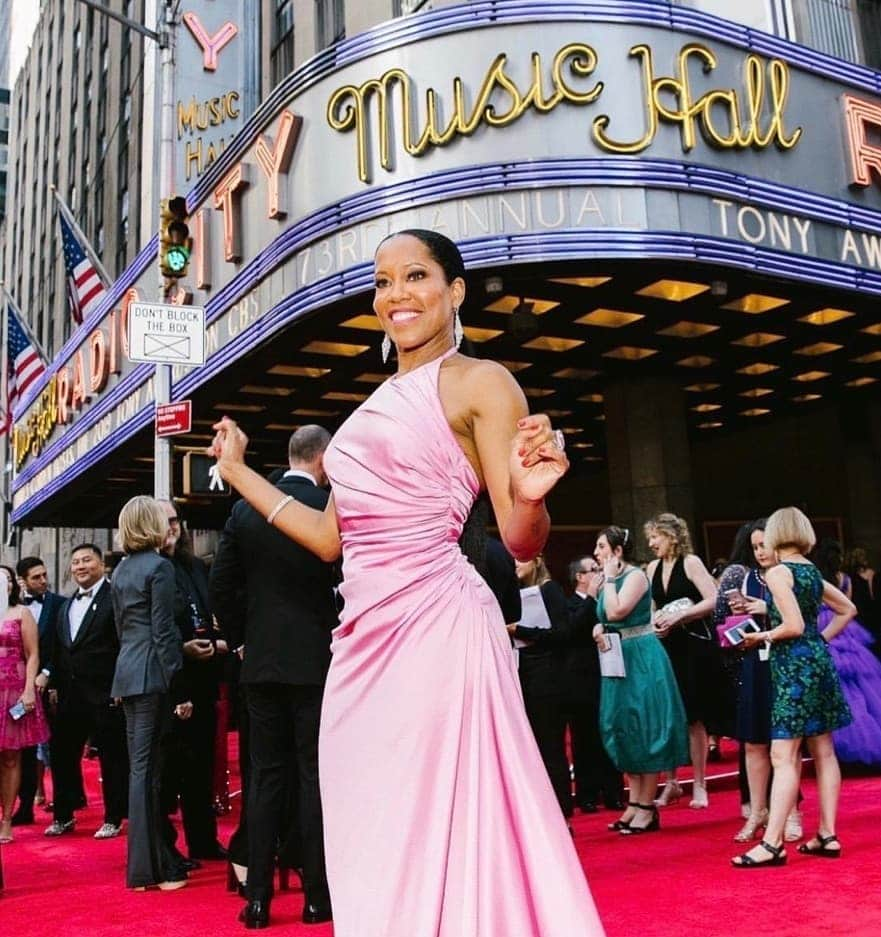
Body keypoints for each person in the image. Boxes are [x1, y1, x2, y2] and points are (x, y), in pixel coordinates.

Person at [209, 229, 604, 937]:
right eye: (382, 281)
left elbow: (517, 537)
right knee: (372, 819)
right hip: (361, 642)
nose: (396, 294)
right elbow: (332, 537)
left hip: (436, 628)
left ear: (454, 291)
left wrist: (534, 494)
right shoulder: (374, 402)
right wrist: (238, 474)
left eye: (414, 275)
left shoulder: (480, 381)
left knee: (442, 821)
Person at [210, 427, 338, 929]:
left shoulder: (244, 509)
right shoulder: (328, 508)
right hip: (317, 660)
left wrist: (243, 641)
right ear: (323, 459)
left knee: (264, 779)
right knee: (313, 777)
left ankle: (258, 898)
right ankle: (315, 898)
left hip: (260, 664)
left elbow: (222, 585)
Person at [732, 507, 854, 868]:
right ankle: (827, 834)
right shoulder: (810, 570)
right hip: (817, 665)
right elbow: (847, 609)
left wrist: (761, 636)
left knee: (782, 756)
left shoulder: (778, 572)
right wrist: (822, 642)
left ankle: (772, 844)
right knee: (824, 751)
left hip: (792, 670)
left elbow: (794, 625)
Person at [592, 527, 688, 835]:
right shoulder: (609, 579)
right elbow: (604, 616)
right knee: (622, 725)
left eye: (602, 546)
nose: (597, 553)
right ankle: (634, 802)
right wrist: (597, 628)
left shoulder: (633, 576)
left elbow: (617, 609)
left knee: (644, 725)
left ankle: (646, 806)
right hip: (618, 657)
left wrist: (606, 580)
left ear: (618, 551)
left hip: (642, 658)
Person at [111, 496, 186, 891]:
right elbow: (163, 632)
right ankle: (147, 869)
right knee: (147, 773)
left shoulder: (121, 570)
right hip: (152, 675)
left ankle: (151, 865)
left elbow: (122, 630)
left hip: (128, 672)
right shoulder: (159, 567)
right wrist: (177, 679)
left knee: (142, 770)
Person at [41, 543, 128, 839]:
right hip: (69, 694)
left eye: (87, 560)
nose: (80, 566)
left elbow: (123, 643)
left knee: (112, 755)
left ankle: (114, 817)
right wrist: (53, 684)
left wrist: (121, 684)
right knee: (62, 754)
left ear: (101, 564)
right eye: (75, 561)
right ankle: (63, 816)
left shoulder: (115, 598)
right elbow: (59, 648)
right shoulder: (65, 605)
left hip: (105, 692)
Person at [157, 501, 228, 863]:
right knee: (167, 772)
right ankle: (165, 847)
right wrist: (183, 650)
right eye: (163, 521)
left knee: (201, 767)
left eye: (174, 521)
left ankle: (203, 840)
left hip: (203, 676)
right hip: (166, 683)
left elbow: (209, 609)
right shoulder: (150, 568)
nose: (171, 528)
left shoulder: (194, 565)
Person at [645, 512, 725, 809]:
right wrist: (655, 622)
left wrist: (682, 615)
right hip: (665, 646)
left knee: (694, 716)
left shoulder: (691, 563)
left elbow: (714, 598)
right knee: (669, 715)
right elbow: (652, 605)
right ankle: (672, 782)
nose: (651, 543)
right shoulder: (652, 567)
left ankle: (701, 784)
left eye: (656, 536)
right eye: (650, 537)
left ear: (672, 536)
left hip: (692, 646)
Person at [511, 555, 574, 822]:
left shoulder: (550, 590)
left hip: (548, 676)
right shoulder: (513, 594)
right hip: (522, 673)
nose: (515, 566)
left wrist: (521, 630)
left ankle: (561, 813)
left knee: (551, 748)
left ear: (537, 560)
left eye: (520, 561)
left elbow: (564, 633)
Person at [814, 539, 881, 768]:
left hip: (823, 630)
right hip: (845, 631)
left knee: (839, 691)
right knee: (862, 689)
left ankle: (839, 750)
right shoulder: (845, 579)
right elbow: (847, 606)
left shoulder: (815, 580)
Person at [563, 556, 623, 813]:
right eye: (594, 570)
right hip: (580, 681)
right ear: (580, 577)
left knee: (610, 735)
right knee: (584, 739)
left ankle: (614, 792)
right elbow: (573, 629)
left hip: (608, 675)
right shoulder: (571, 604)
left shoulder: (608, 602)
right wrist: (590, 598)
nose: (599, 574)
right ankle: (587, 794)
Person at [11, 556, 65, 827]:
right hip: (11, 688)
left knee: (47, 747)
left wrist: (47, 674)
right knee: (16, 748)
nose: (43, 581)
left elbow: (64, 645)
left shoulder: (59, 605)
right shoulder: (10, 609)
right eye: (36, 577)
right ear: (22, 581)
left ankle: (59, 803)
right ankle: (18, 803)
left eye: (44, 575)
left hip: (45, 688)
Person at [0, 565, 50, 844]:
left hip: (14, 690)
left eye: (6, 579)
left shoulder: (22, 613)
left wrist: (29, 688)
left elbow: (33, 655)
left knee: (10, 757)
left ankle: (6, 819)